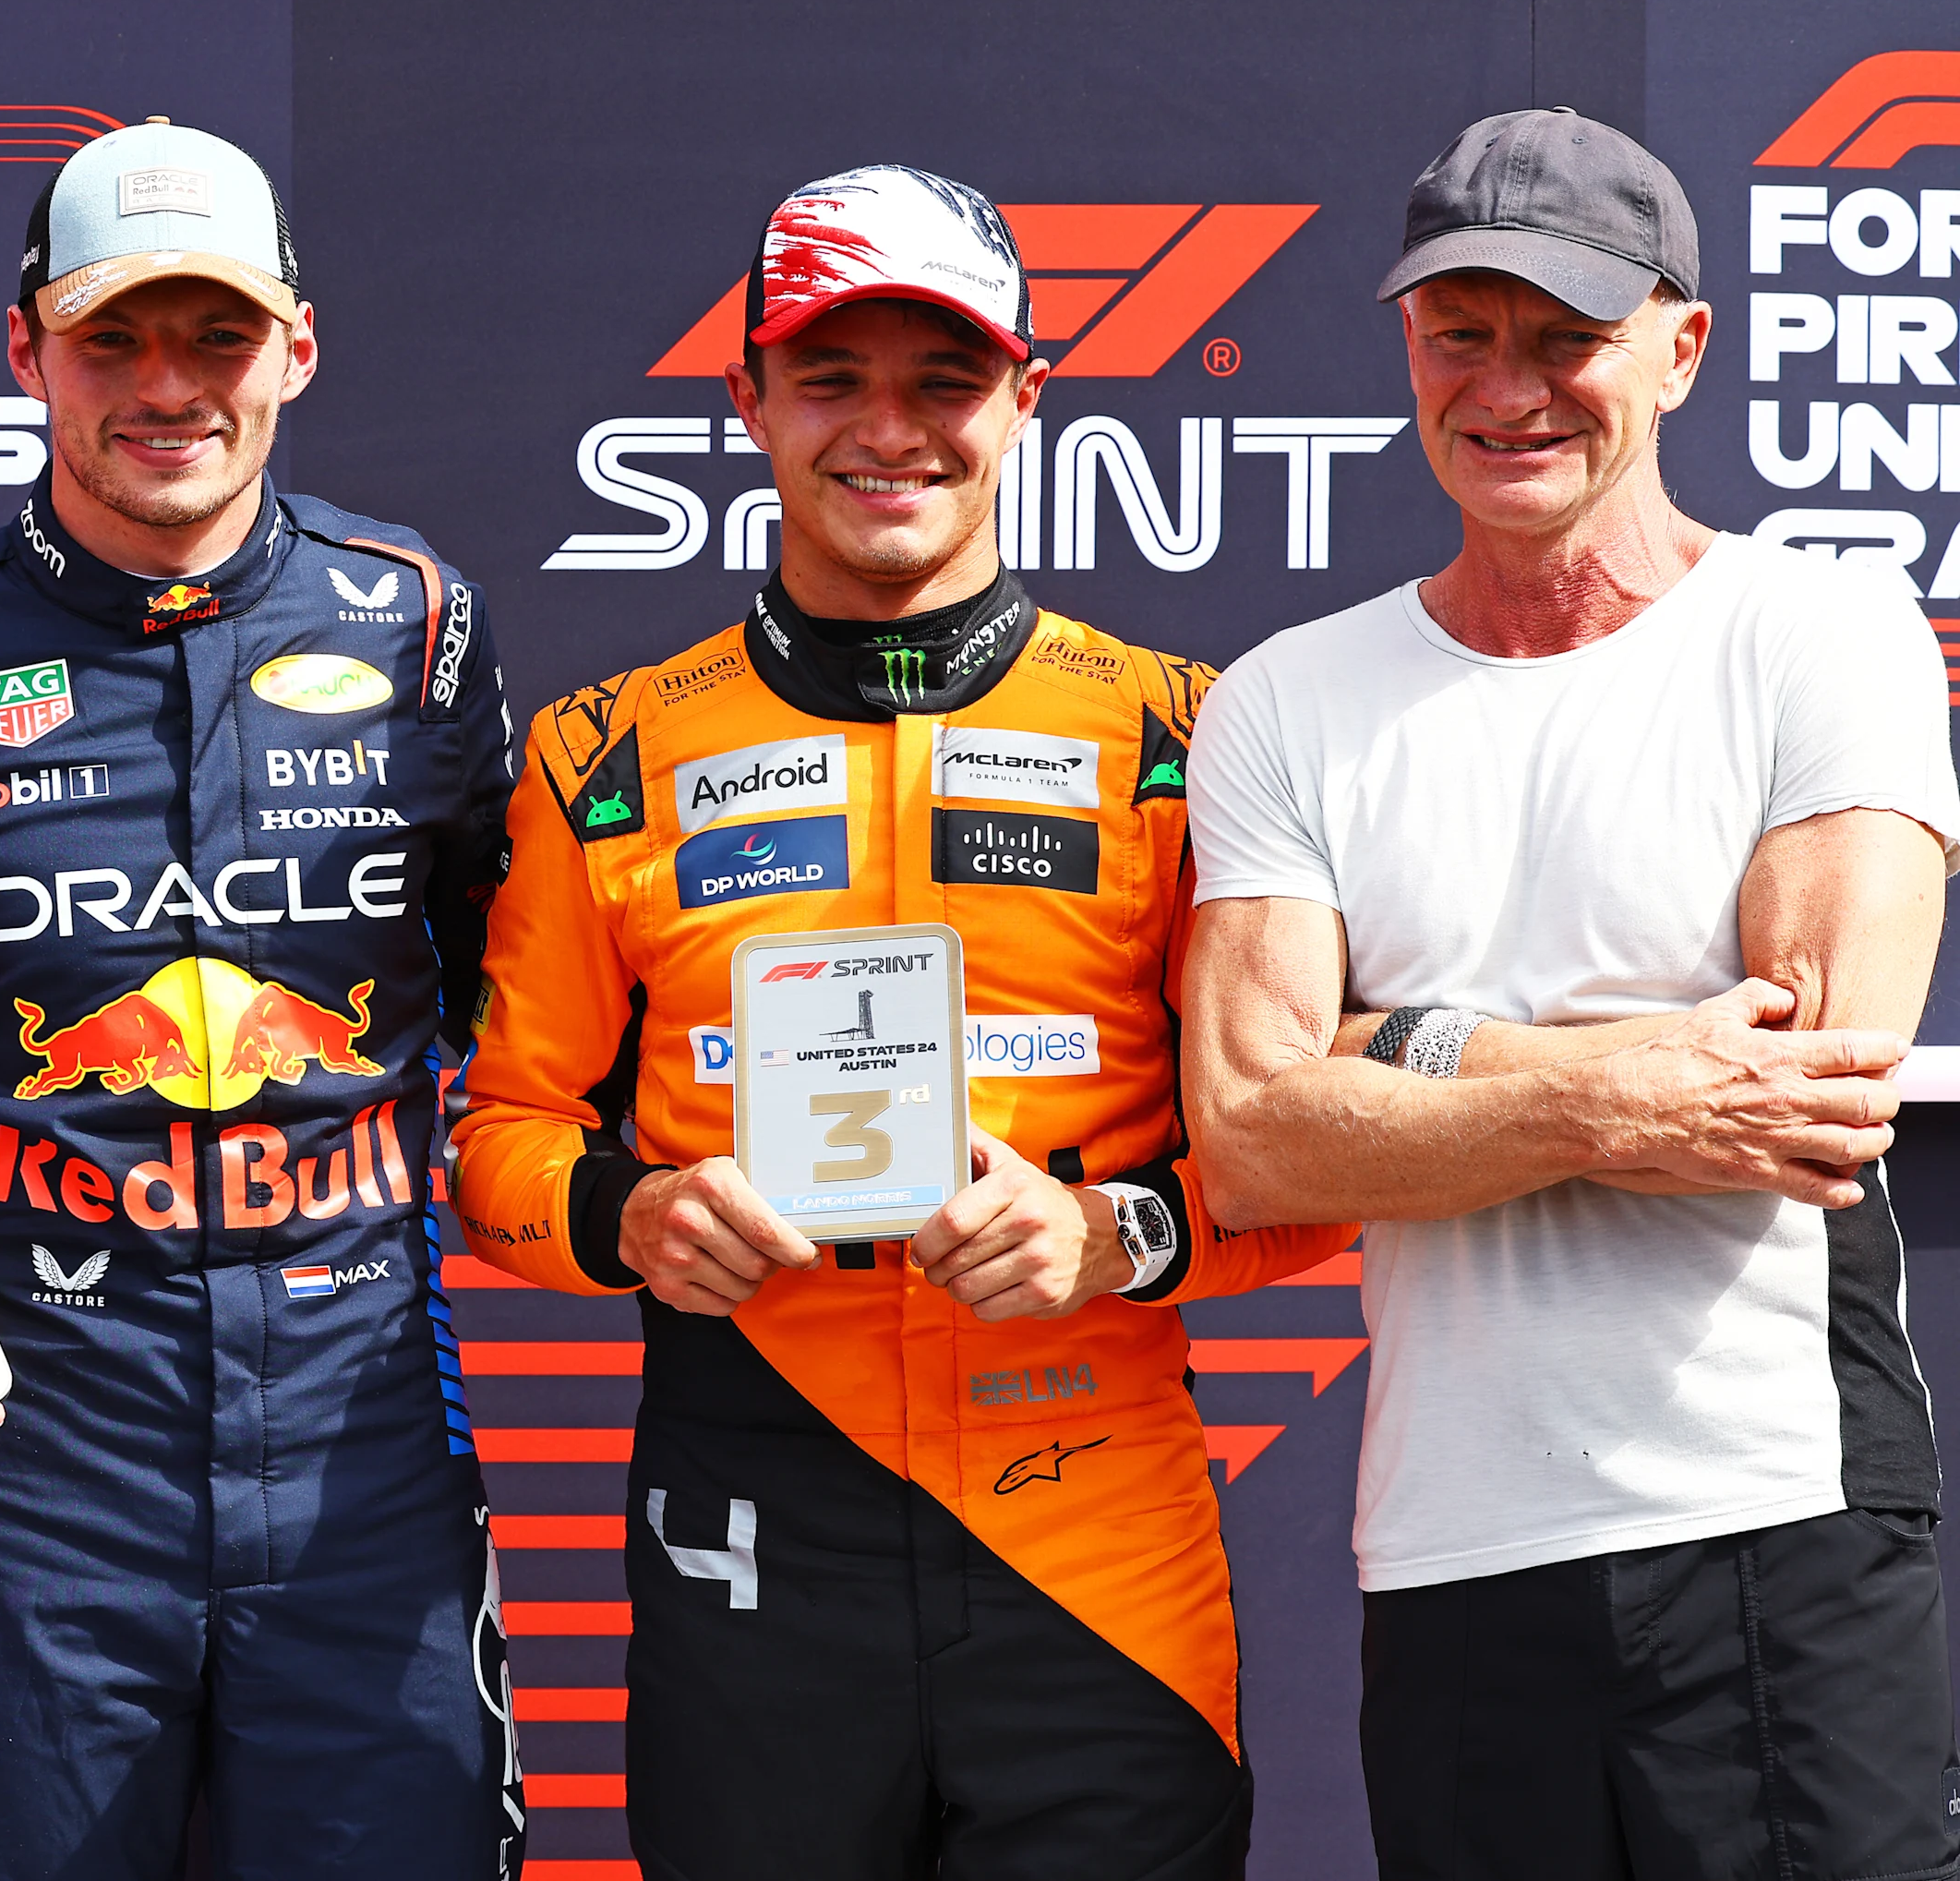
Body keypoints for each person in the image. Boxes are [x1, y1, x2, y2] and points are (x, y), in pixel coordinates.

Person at [451, 164, 1354, 1880]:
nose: (889, 430)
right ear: (748, 398)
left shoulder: (1192, 737)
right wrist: (626, 1215)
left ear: (1030, 395)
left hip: (1097, 1556)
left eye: (943, 378)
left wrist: (1117, 1232)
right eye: (830, 375)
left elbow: (1313, 1145)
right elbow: (497, 1144)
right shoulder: (606, 753)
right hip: (752, 1547)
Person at [0, 117, 524, 1879]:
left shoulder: (422, 629)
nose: (169, 387)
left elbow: (520, 1011)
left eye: (215, 336)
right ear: (28, 351)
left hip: (361, 1463)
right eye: (113, 339)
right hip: (35, 1481)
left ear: (294, 348)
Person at [1181, 109, 1958, 1879]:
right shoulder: (1292, 699)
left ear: (1682, 349)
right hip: (1451, 1550)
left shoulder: (1818, 636)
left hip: (1779, 1516)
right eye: (1463, 330)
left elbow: (1805, 1090)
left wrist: (1393, 1047)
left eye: (1567, 335)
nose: (1509, 386)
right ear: (1405, 346)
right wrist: (1622, 1082)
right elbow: (1251, 1138)